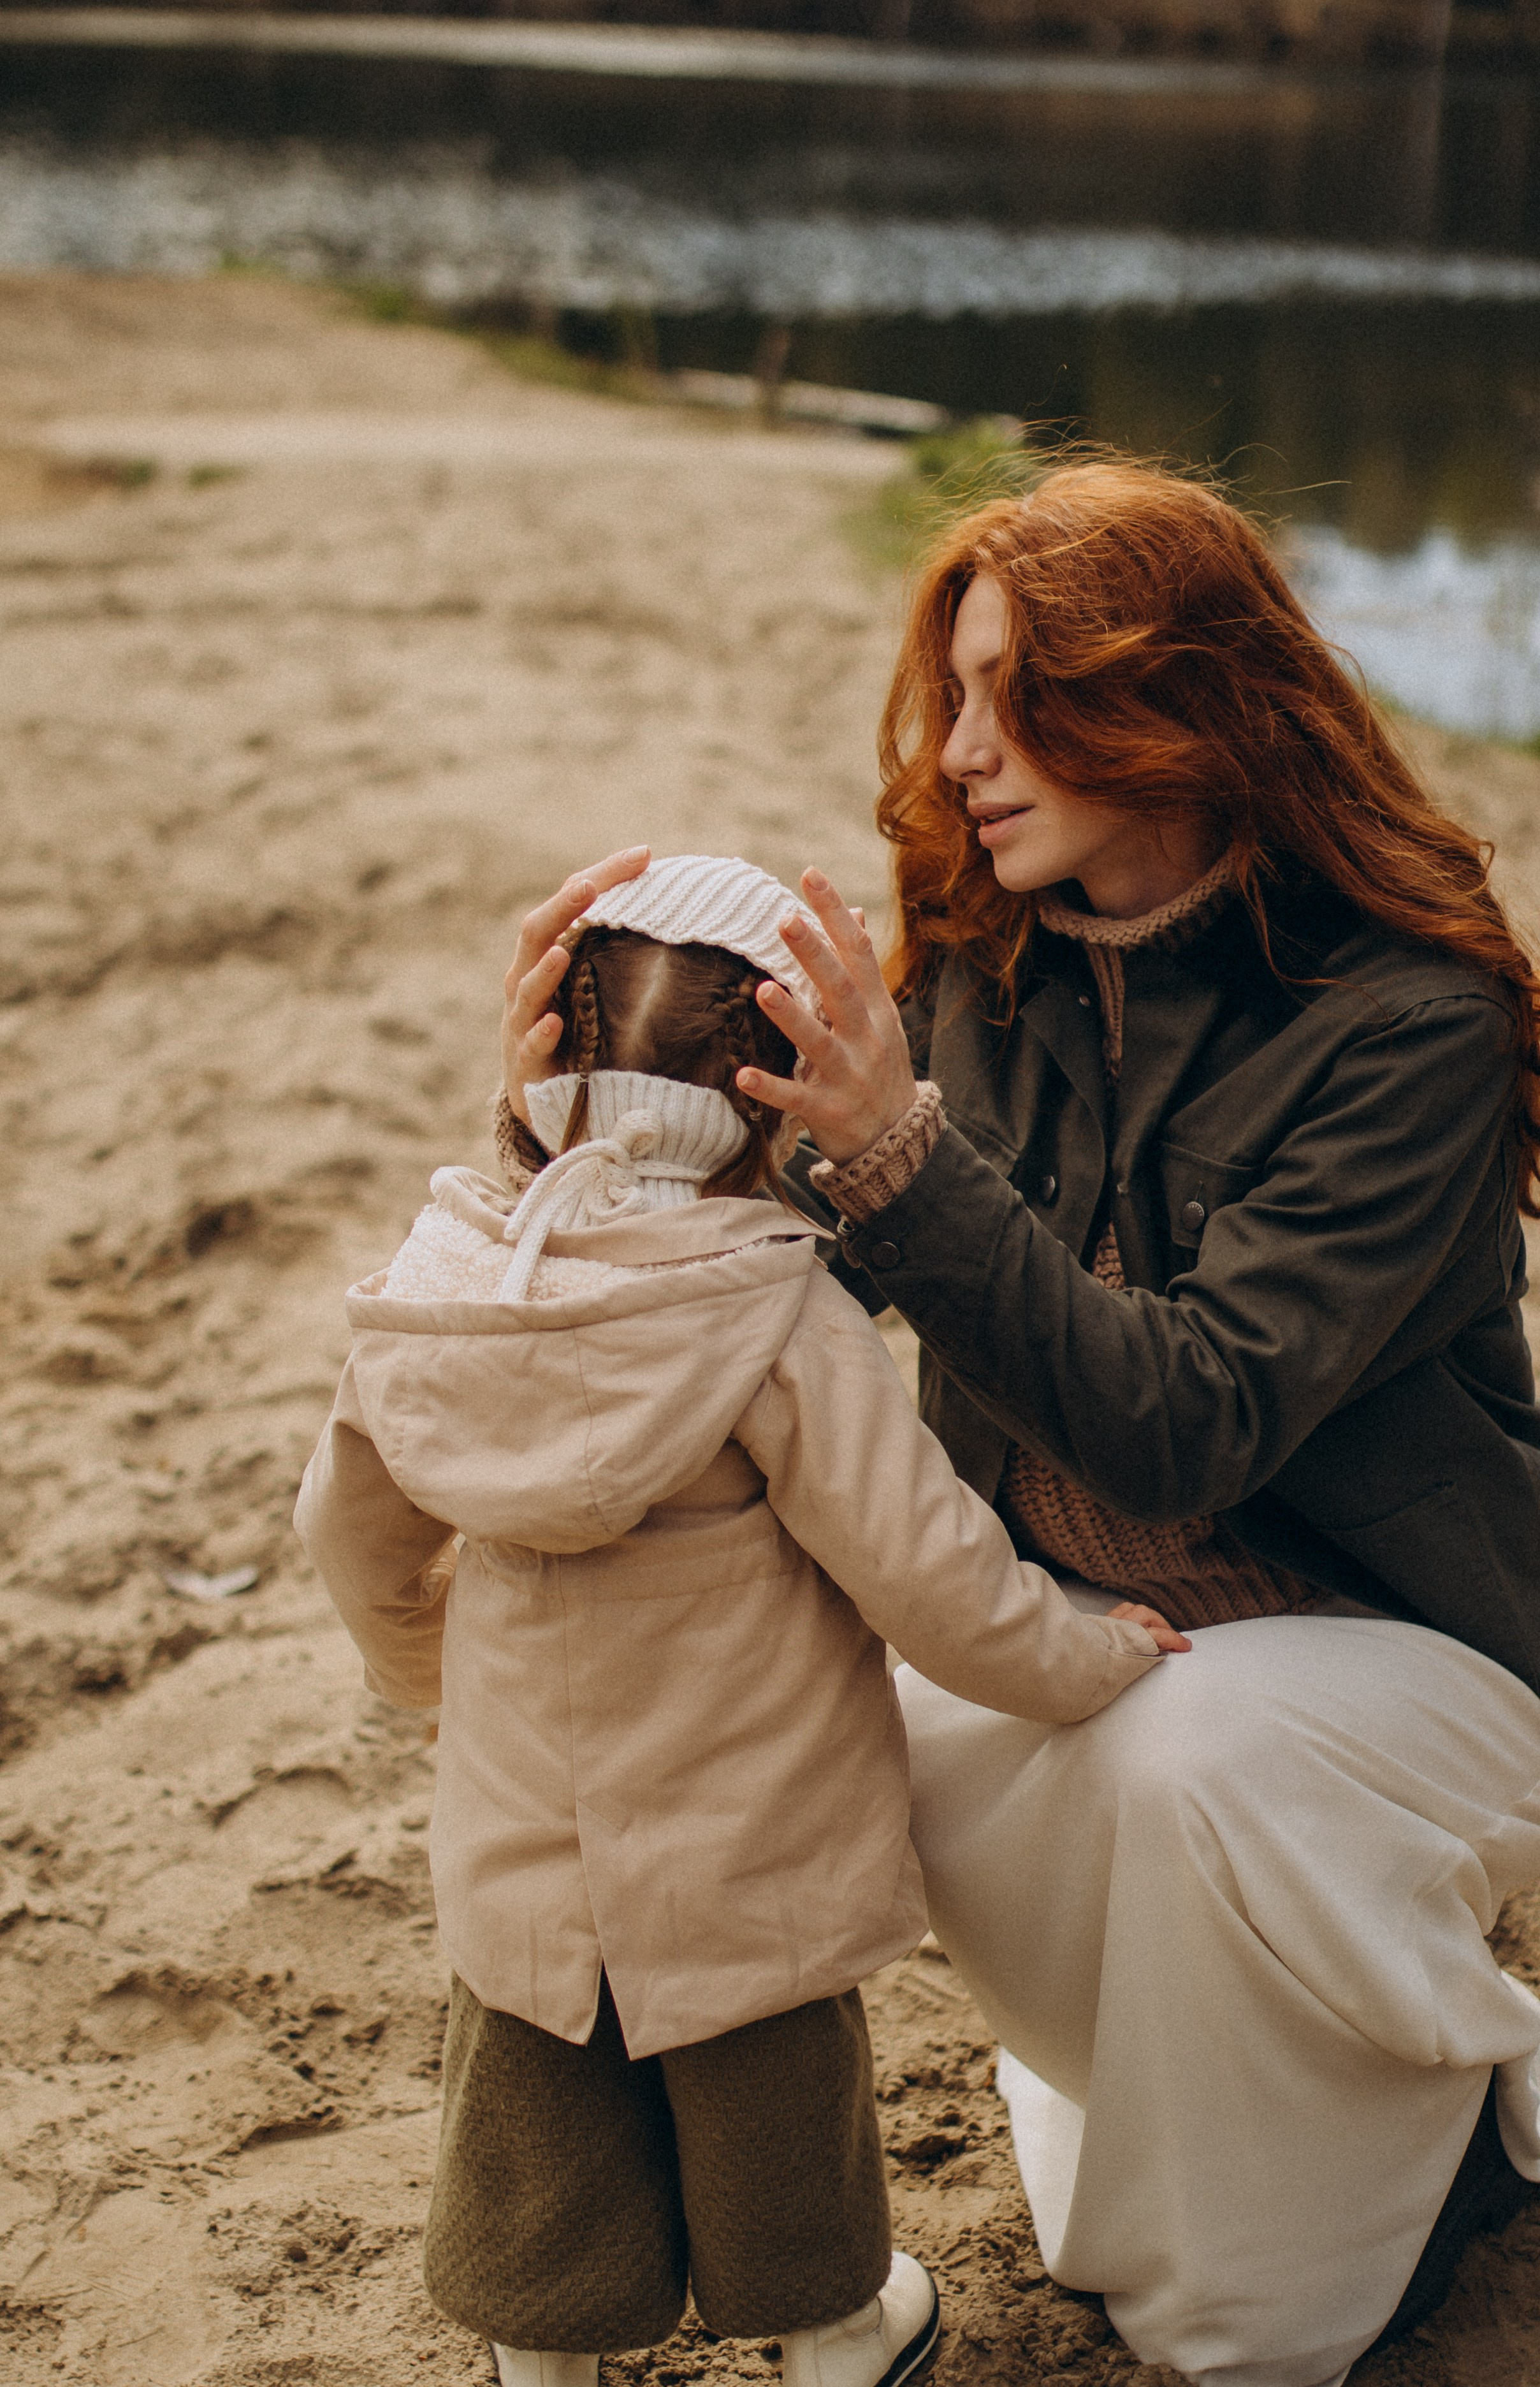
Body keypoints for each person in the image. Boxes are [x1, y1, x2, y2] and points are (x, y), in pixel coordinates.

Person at [498, 462, 1540, 2387]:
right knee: (794, 1725)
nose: (962, 752)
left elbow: (1193, 1427)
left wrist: (902, 1154)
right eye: (956, 695)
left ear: (1182, 696)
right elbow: (772, 1305)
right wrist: (571, 1132)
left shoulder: (1413, 1029)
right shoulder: (986, 968)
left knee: (1189, 1766)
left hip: (1401, 1647)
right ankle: (1352, 2101)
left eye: (1015, 697)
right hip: (1085, 1629)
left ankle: (1360, 2215)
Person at [294, 853, 1184, 2387]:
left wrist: (436, 1673)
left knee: (533, 2082)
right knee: (773, 2091)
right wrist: (1092, 1653)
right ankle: (834, 2332)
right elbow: (930, 1576)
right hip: (745, 1842)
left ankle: (541, 2353)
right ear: (772, 1106)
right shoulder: (773, 1311)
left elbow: (348, 1532)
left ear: (543, 1068)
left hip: (529, 1838)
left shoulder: (448, 1287)